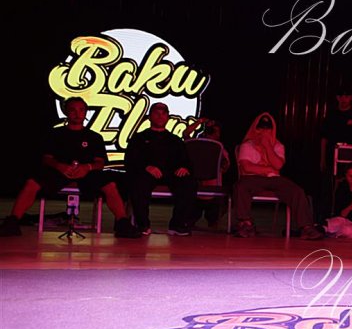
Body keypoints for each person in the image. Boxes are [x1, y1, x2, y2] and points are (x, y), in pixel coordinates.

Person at [0, 97, 141, 238]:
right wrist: (60, 166)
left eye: (81, 110)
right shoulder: (55, 134)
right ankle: (12, 221)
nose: (77, 113)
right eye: (73, 110)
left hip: (87, 173)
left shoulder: (94, 137)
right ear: (66, 112)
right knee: (32, 182)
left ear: (85, 112)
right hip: (59, 172)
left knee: (110, 184)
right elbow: (47, 158)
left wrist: (87, 167)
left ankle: (122, 223)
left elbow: (100, 163)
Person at [233, 112, 323, 240]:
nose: (264, 132)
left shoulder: (278, 146)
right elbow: (247, 167)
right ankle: (245, 224)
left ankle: (306, 228)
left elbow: (278, 165)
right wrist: (268, 169)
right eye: (260, 128)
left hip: (274, 179)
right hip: (252, 178)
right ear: (255, 129)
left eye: (267, 129)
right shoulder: (247, 145)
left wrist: (267, 146)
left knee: (296, 191)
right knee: (240, 187)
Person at [125, 102, 198, 236]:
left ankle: (178, 225)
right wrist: (147, 167)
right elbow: (130, 160)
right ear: (149, 117)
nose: (160, 116)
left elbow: (186, 161)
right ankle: (143, 225)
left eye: (163, 114)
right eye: (157, 113)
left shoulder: (175, 140)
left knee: (188, 182)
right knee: (138, 182)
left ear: (168, 117)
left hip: (171, 174)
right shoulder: (139, 138)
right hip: (147, 173)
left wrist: (184, 168)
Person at [319, 89, 352, 220]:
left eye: (346, 96)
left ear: (351, 97)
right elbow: (324, 138)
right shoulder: (331, 115)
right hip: (333, 157)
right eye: (341, 96)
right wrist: (322, 159)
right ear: (337, 98)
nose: (343, 99)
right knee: (331, 186)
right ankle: (330, 214)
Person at [184, 117, 230, 228]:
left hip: (212, 192)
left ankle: (212, 221)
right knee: (190, 220)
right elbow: (185, 134)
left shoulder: (220, 149)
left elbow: (225, 167)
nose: (214, 133)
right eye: (211, 130)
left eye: (216, 131)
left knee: (213, 219)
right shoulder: (195, 144)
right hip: (197, 190)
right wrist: (199, 122)